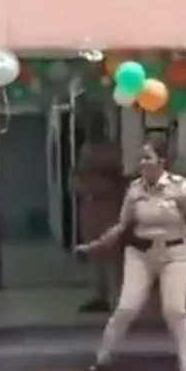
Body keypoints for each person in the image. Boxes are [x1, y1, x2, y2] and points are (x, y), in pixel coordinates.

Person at [76, 135, 186, 371]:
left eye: (148, 158)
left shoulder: (179, 187)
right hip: (140, 254)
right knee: (126, 308)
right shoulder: (135, 189)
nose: (142, 163)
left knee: (174, 310)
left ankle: (185, 367)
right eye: (141, 158)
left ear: (161, 161)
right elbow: (122, 225)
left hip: (174, 255)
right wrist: (95, 245)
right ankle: (102, 359)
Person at [71, 113, 126, 312]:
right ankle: (99, 296)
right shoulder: (85, 149)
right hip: (90, 203)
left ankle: (116, 298)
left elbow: (118, 175)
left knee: (112, 252)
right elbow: (79, 173)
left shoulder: (113, 149)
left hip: (108, 203)